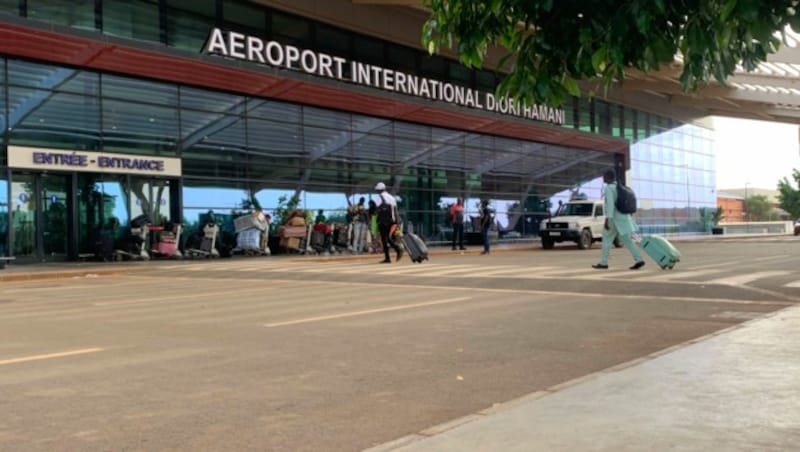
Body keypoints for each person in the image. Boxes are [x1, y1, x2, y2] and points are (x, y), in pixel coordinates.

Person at [592, 168, 645, 270]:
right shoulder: (618, 187)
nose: (602, 178)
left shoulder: (609, 188)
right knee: (628, 240)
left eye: (604, 176)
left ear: (608, 177)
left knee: (606, 239)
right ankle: (639, 260)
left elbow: (610, 205)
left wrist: (607, 220)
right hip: (624, 218)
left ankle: (603, 263)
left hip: (614, 219)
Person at [374, 182, 403, 263]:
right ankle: (396, 250)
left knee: (384, 239)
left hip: (384, 221)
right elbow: (395, 209)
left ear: (379, 190)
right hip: (393, 221)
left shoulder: (380, 197)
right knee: (388, 238)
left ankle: (391, 255)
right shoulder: (391, 197)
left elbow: (376, 210)